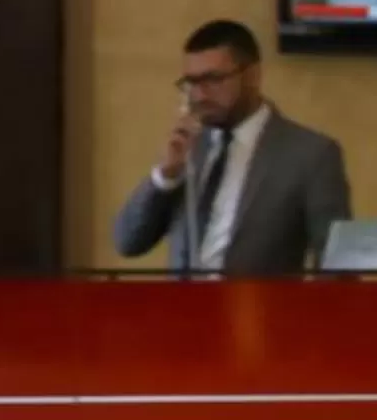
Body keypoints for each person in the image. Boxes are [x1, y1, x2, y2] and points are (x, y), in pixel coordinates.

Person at [112, 20, 352, 276]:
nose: (200, 95)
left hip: (260, 302)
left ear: (252, 76)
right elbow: (128, 242)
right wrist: (166, 176)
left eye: (213, 79)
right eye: (191, 82)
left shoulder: (310, 154)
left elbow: (337, 266)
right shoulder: (188, 146)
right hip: (181, 302)